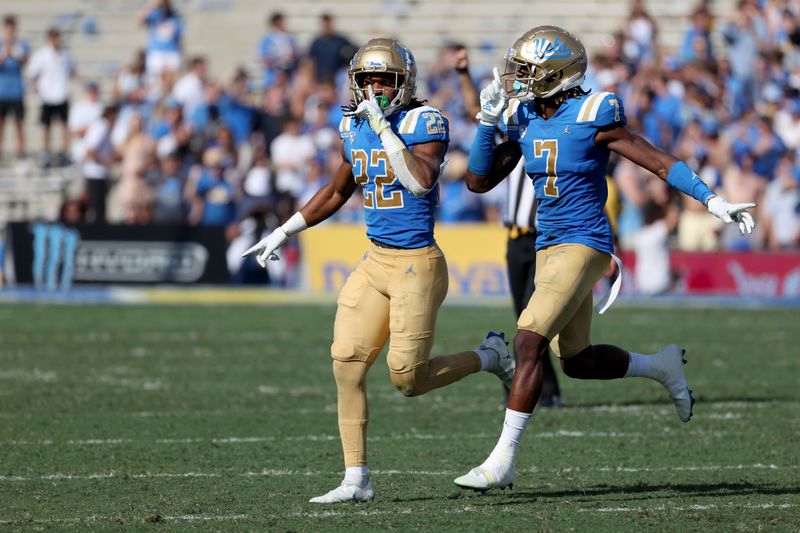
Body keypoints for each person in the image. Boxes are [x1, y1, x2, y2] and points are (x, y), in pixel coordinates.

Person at [453, 26, 757, 492]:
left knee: (527, 340)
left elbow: (655, 160)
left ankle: (502, 460)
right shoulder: (526, 117)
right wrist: (487, 122)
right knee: (576, 360)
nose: (519, 77)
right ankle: (661, 366)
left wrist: (713, 200)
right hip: (548, 246)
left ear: (556, 73)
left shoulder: (594, 113)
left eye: (529, 70)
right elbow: (478, 182)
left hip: (586, 242)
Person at [242, 37, 516, 503]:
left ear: (404, 84)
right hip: (375, 260)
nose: (373, 89)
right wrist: (284, 231)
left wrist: (385, 131)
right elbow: (336, 190)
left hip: (416, 264)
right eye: (366, 80)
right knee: (346, 361)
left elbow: (421, 179)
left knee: (407, 379)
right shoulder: (353, 124)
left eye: (383, 80)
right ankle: (356, 479)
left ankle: (489, 356)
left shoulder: (423, 120)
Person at [452, 46, 563, 407]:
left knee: (532, 324)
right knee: (523, 317)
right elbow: (476, 111)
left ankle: (537, 390)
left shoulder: (545, 124)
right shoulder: (515, 124)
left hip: (544, 237)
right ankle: (545, 390)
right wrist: (465, 75)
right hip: (515, 238)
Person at [26, 27, 75, 167]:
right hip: (47, 96)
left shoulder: (66, 54)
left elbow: (72, 71)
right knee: (46, 126)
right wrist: (36, 88)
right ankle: (46, 152)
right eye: (53, 37)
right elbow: (31, 73)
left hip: (62, 94)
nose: (55, 40)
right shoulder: (41, 55)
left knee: (64, 125)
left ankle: (64, 152)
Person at [0, 15, 28, 160]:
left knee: (19, 124)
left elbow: (25, 61)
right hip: (2, 92)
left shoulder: (21, 45)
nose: (10, 32)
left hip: (17, 92)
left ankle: (21, 152)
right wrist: (5, 53)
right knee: (1, 124)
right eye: (7, 29)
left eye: (12, 29)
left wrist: (14, 52)